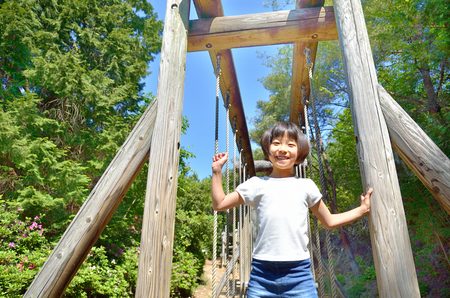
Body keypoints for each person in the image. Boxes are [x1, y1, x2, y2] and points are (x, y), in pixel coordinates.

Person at [211, 122, 372, 298]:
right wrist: (217, 171)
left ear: (299, 153)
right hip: (262, 274)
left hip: (299, 274)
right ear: (268, 150)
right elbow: (220, 204)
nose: (282, 149)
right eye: (276, 143)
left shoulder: (306, 186)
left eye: (290, 144)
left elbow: (330, 221)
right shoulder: (256, 185)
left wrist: (362, 210)